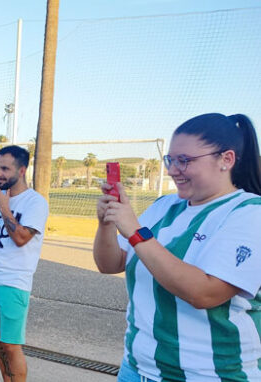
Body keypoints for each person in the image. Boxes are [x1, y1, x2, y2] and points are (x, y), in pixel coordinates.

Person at [94, 113, 261, 381]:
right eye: (170, 160)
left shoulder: (249, 213)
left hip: (210, 375)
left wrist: (136, 232)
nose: (172, 170)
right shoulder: (163, 206)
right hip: (137, 369)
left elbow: (204, 294)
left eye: (185, 160)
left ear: (226, 160)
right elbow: (109, 264)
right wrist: (106, 223)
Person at [0, 145, 48, 382]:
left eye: (5, 168)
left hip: (14, 283)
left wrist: (4, 206)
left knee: (11, 345)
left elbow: (22, 238)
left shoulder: (36, 202)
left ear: (22, 170)